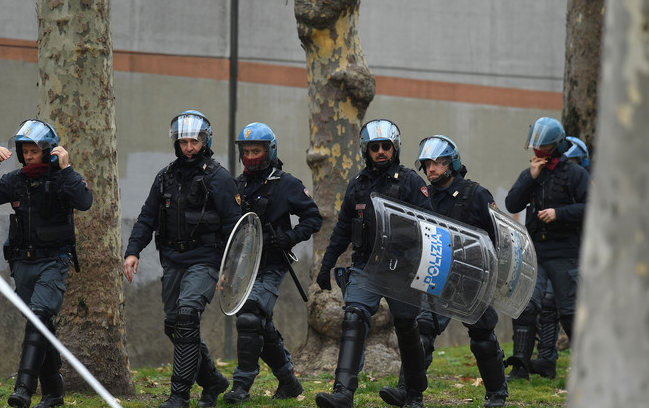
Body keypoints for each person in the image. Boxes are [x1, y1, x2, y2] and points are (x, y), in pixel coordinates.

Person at [379, 135, 508, 407]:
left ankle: (497, 394)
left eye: (436, 163)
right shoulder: (423, 195)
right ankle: (409, 393)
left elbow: (500, 238)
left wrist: (493, 275)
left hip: (472, 279)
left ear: (452, 163)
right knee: (421, 333)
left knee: (482, 337)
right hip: (436, 274)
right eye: (426, 165)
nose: (430, 170)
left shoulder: (476, 194)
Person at [123, 110, 240, 407]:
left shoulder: (219, 178)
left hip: (207, 259)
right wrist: (133, 251)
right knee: (174, 325)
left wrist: (229, 268)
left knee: (187, 317)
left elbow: (235, 227)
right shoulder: (164, 177)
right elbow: (148, 216)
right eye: (184, 141)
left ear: (205, 141)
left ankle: (179, 396)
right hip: (173, 260)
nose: (189, 147)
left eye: (195, 141)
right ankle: (213, 380)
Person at [315, 119, 433, 408]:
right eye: (374, 147)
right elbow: (342, 228)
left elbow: (430, 225)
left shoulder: (410, 181)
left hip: (402, 268)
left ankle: (414, 394)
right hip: (365, 266)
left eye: (385, 146)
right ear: (365, 150)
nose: (380, 152)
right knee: (353, 317)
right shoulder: (357, 184)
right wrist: (325, 265)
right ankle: (343, 392)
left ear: (395, 148)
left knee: (407, 327)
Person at [0, 119, 93, 408]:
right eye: (24, 151)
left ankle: (23, 390)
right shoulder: (16, 180)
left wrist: (66, 169)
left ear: (48, 150)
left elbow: (85, 200)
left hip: (54, 262)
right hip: (22, 264)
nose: (28, 156)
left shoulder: (64, 179)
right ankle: (54, 393)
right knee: (41, 325)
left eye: (34, 151)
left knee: (39, 318)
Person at [222, 122, 322, 404]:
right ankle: (289, 382)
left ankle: (241, 385)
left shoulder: (287, 184)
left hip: (271, 266)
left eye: (257, 150)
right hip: (241, 268)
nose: (251, 155)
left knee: (250, 316)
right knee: (258, 326)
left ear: (269, 150)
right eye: (247, 150)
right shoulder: (236, 184)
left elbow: (313, 218)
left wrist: (289, 237)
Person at [504, 117, 589, 380]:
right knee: (526, 307)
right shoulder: (532, 172)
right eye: (535, 146)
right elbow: (512, 203)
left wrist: (559, 213)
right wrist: (531, 178)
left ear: (556, 145)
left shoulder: (575, 173)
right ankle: (520, 368)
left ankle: (587, 368)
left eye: (542, 147)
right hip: (536, 253)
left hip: (565, 254)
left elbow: (593, 207)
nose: (537, 151)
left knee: (570, 313)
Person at [528, 135, 591, 379]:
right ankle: (546, 359)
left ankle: (588, 362)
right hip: (564, 255)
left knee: (571, 310)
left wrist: (561, 214)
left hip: (580, 255)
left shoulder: (584, 182)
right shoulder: (551, 180)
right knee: (549, 305)